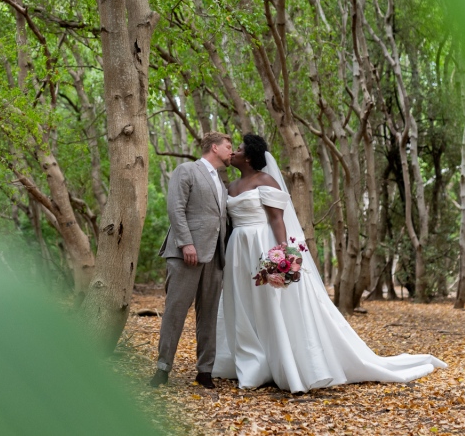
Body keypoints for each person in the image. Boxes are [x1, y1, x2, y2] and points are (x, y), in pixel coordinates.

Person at [212, 134, 447, 393]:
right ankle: (252, 362)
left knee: (268, 303)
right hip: (238, 250)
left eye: (239, 149)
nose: (233, 152)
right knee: (244, 302)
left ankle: (281, 362)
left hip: (261, 246)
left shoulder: (265, 181)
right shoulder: (231, 186)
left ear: (249, 157)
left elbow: (277, 220)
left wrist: (283, 256)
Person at [150, 132, 233, 389]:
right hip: (186, 254)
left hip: (214, 258)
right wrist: (186, 243)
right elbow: (176, 208)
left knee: (208, 316)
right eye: (228, 147)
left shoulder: (221, 182)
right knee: (175, 312)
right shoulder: (186, 170)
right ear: (215, 147)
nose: (232, 151)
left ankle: (205, 371)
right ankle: (163, 369)